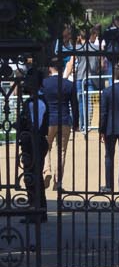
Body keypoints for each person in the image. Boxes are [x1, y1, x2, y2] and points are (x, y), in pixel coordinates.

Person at [36, 60, 77, 192]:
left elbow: (40, 102)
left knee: (45, 147)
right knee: (62, 151)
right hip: (64, 119)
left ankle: (47, 169)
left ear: (49, 68)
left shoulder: (44, 83)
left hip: (49, 120)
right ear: (62, 67)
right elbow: (75, 106)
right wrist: (76, 123)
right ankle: (58, 181)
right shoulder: (69, 84)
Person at [15, 71, 48, 225]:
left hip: (35, 143)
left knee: (33, 177)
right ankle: (37, 210)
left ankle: (37, 210)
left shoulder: (37, 102)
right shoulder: (33, 101)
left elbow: (36, 125)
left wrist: (23, 126)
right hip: (32, 143)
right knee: (32, 177)